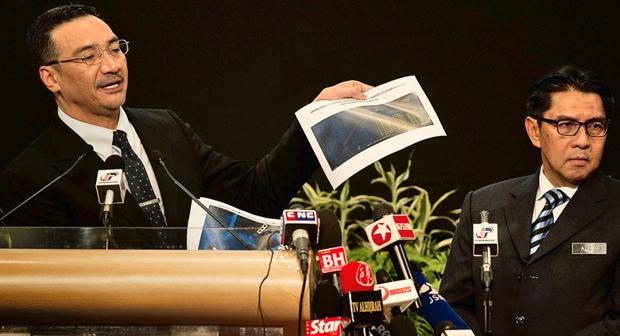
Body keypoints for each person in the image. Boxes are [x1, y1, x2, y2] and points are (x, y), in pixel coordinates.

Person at [0, 4, 370, 231]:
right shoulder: (33, 177)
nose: (111, 65)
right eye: (89, 57)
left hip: (199, 319)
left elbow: (254, 196)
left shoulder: (165, 129)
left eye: (115, 49)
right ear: (51, 78)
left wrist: (311, 123)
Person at [439, 66, 619, 336]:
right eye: (566, 125)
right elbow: (453, 306)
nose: (582, 140)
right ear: (534, 130)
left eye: (595, 126)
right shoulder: (484, 204)